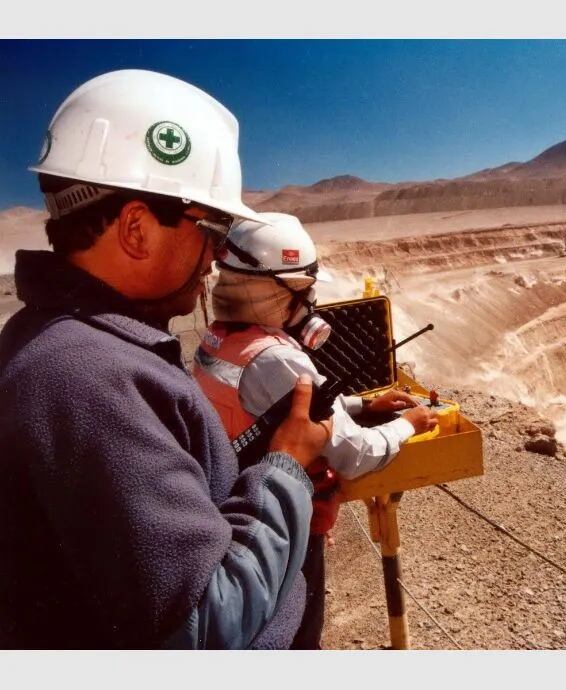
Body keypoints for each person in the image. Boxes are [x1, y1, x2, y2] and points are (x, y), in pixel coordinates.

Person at [0, 70, 331, 649]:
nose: (215, 257)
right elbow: (207, 628)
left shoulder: (73, 347)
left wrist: (266, 484)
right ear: (135, 229)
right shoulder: (87, 380)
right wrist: (286, 470)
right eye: (212, 227)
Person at [193, 212, 438, 648]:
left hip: (240, 502)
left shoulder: (220, 340)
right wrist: (407, 425)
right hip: (284, 526)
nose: (310, 306)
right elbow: (355, 453)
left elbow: (287, 411)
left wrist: (363, 403)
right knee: (299, 638)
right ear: (270, 291)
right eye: (303, 292)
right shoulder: (277, 358)